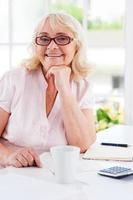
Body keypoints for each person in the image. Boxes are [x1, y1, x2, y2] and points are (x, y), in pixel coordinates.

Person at [0, 12, 96, 168]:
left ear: (77, 46)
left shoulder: (82, 86)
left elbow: (83, 145)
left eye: (62, 38)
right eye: (44, 39)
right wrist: (9, 156)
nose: (51, 46)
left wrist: (64, 88)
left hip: (56, 178)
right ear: (36, 45)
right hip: (11, 176)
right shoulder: (14, 79)